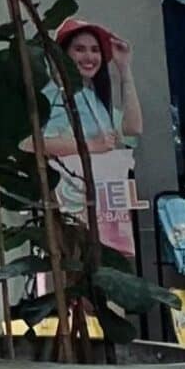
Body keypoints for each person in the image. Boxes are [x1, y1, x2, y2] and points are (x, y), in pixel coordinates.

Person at [41, 18, 141, 255]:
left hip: (103, 209)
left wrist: (124, 69)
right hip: (73, 212)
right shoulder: (52, 95)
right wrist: (91, 145)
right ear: (63, 54)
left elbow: (133, 128)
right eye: (79, 49)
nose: (89, 57)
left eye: (95, 50)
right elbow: (32, 143)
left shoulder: (94, 99)